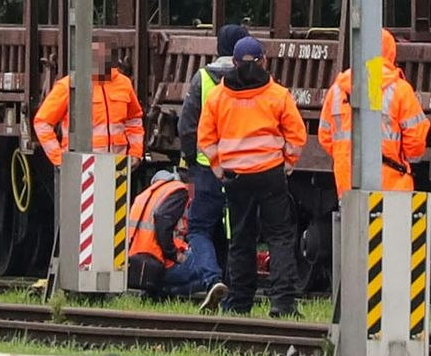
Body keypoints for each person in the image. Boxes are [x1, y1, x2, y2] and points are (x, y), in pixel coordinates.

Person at [198, 35, 312, 316]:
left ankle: (240, 303)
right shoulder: (277, 95)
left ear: (233, 64)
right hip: (270, 174)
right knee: (281, 237)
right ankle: (282, 303)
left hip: (235, 177)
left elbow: (205, 138)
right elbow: (297, 135)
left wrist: (218, 168)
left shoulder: (218, 97)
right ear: (264, 61)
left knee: (241, 239)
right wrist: (288, 163)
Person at [318, 28, 431, 195]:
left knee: (353, 221)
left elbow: (325, 137)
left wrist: (346, 156)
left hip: (347, 181)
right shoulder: (399, 90)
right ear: (390, 51)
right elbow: (416, 140)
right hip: (391, 183)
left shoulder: (337, 90)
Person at [178, 21, 247, 282]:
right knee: (238, 228)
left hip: (207, 167)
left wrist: (190, 160)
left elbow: (187, 124)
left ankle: (212, 278)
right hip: (243, 167)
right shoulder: (254, 79)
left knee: (200, 227)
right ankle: (234, 282)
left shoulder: (204, 78)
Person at [32, 37, 145, 170]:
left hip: (117, 166)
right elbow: (42, 123)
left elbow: (134, 120)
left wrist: (135, 154)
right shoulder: (69, 86)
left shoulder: (124, 84)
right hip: (83, 167)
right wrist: (59, 159)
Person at [124, 166, 217, 299]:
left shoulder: (150, 192)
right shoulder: (180, 190)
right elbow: (162, 218)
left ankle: (159, 293)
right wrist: (174, 255)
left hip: (136, 262)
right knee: (209, 266)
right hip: (158, 262)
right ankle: (166, 291)